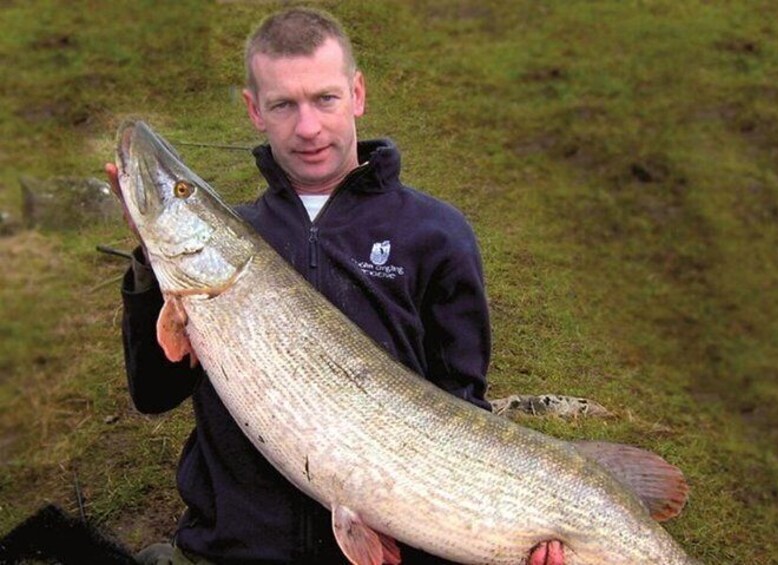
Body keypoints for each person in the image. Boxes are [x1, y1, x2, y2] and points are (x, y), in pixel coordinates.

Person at [107, 7, 562, 565]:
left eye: (325, 99)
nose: (308, 128)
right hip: (233, 547)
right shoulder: (240, 235)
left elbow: (459, 402)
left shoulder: (437, 234)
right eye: (283, 104)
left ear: (358, 94)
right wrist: (150, 261)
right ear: (255, 111)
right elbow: (154, 394)